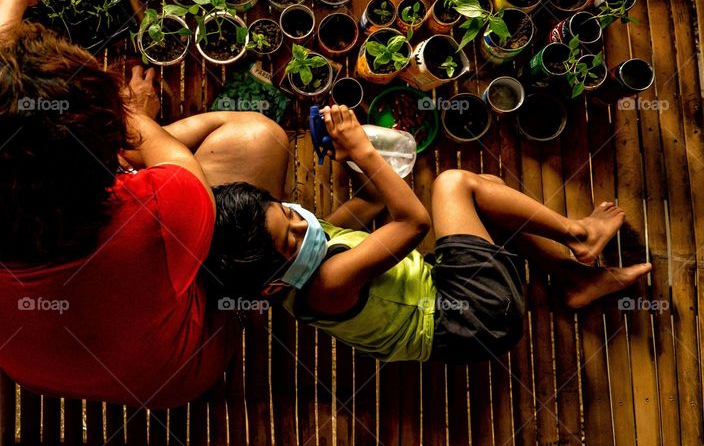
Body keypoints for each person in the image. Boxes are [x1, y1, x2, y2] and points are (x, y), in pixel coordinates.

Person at [0, 0, 290, 408]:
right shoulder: (154, 212)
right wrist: (134, 117)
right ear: (106, 154)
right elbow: (172, 163)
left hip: (39, 370)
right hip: (175, 375)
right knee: (258, 137)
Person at [206, 105, 652, 364]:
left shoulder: (297, 262)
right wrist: (362, 147)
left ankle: (574, 279)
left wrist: (357, 161)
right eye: (289, 237)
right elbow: (412, 222)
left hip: (450, 303)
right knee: (454, 185)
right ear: (269, 285)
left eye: (287, 211)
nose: (304, 223)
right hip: (473, 317)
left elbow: (365, 208)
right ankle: (579, 236)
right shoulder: (326, 283)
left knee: (490, 194)